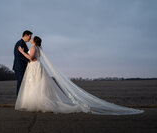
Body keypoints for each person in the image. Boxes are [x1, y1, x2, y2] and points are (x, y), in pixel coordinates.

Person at [15, 36, 144, 115]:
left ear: (34, 41)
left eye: (32, 39)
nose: (30, 39)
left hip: (34, 67)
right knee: (38, 85)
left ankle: (36, 103)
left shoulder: (33, 48)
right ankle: (38, 103)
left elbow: (31, 58)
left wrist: (22, 52)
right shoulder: (39, 48)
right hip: (38, 67)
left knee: (34, 85)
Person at [12, 30, 33, 96]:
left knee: (22, 85)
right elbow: (19, 55)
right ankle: (18, 101)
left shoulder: (22, 43)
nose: (30, 39)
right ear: (25, 35)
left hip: (21, 67)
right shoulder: (20, 43)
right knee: (20, 84)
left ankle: (20, 101)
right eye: (29, 36)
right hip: (20, 67)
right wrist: (29, 60)